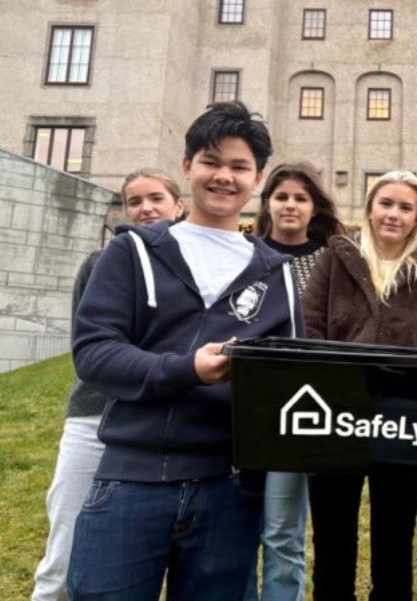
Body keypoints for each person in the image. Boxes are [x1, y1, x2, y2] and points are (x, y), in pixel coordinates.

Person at [66, 101, 304, 600]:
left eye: (239, 166)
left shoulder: (277, 273)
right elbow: (95, 353)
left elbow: (288, 379)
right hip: (130, 480)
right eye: (211, 162)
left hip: (227, 489)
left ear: (257, 178)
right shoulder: (131, 252)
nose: (224, 177)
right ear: (187, 166)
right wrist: (188, 369)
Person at [302, 170, 417, 601]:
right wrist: (337, 384)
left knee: (395, 536)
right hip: (335, 415)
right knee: (332, 535)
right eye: (386, 203)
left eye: (405, 207)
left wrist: (409, 394)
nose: (394, 214)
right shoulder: (336, 258)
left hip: (402, 419)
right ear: (370, 209)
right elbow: (311, 327)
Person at [32, 169, 185, 601]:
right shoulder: (99, 263)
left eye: (156, 198)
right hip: (93, 415)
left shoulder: (193, 268)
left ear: (178, 205)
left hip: (163, 423)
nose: (146, 208)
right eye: (134, 201)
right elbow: (88, 345)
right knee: (65, 539)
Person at [245, 161, 344, 601]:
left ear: (314, 207)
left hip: (298, 410)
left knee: (283, 531)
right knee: (235, 531)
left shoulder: (330, 261)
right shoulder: (244, 255)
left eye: (300, 198)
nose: (290, 205)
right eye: (281, 196)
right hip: (242, 406)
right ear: (267, 203)